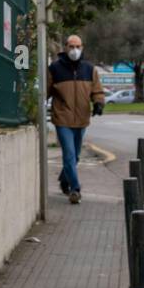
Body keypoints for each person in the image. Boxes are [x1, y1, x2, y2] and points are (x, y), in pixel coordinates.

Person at [46, 34, 105, 204]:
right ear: (65, 47)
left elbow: (97, 90)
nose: (74, 50)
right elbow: (45, 90)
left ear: (82, 48)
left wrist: (99, 103)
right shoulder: (55, 69)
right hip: (62, 118)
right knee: (70, 155)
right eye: (71, 47)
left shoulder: (89, 69)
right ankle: (75, 189)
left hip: (82, 118)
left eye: (78, 47)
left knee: (76, 156)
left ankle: (64, 180)